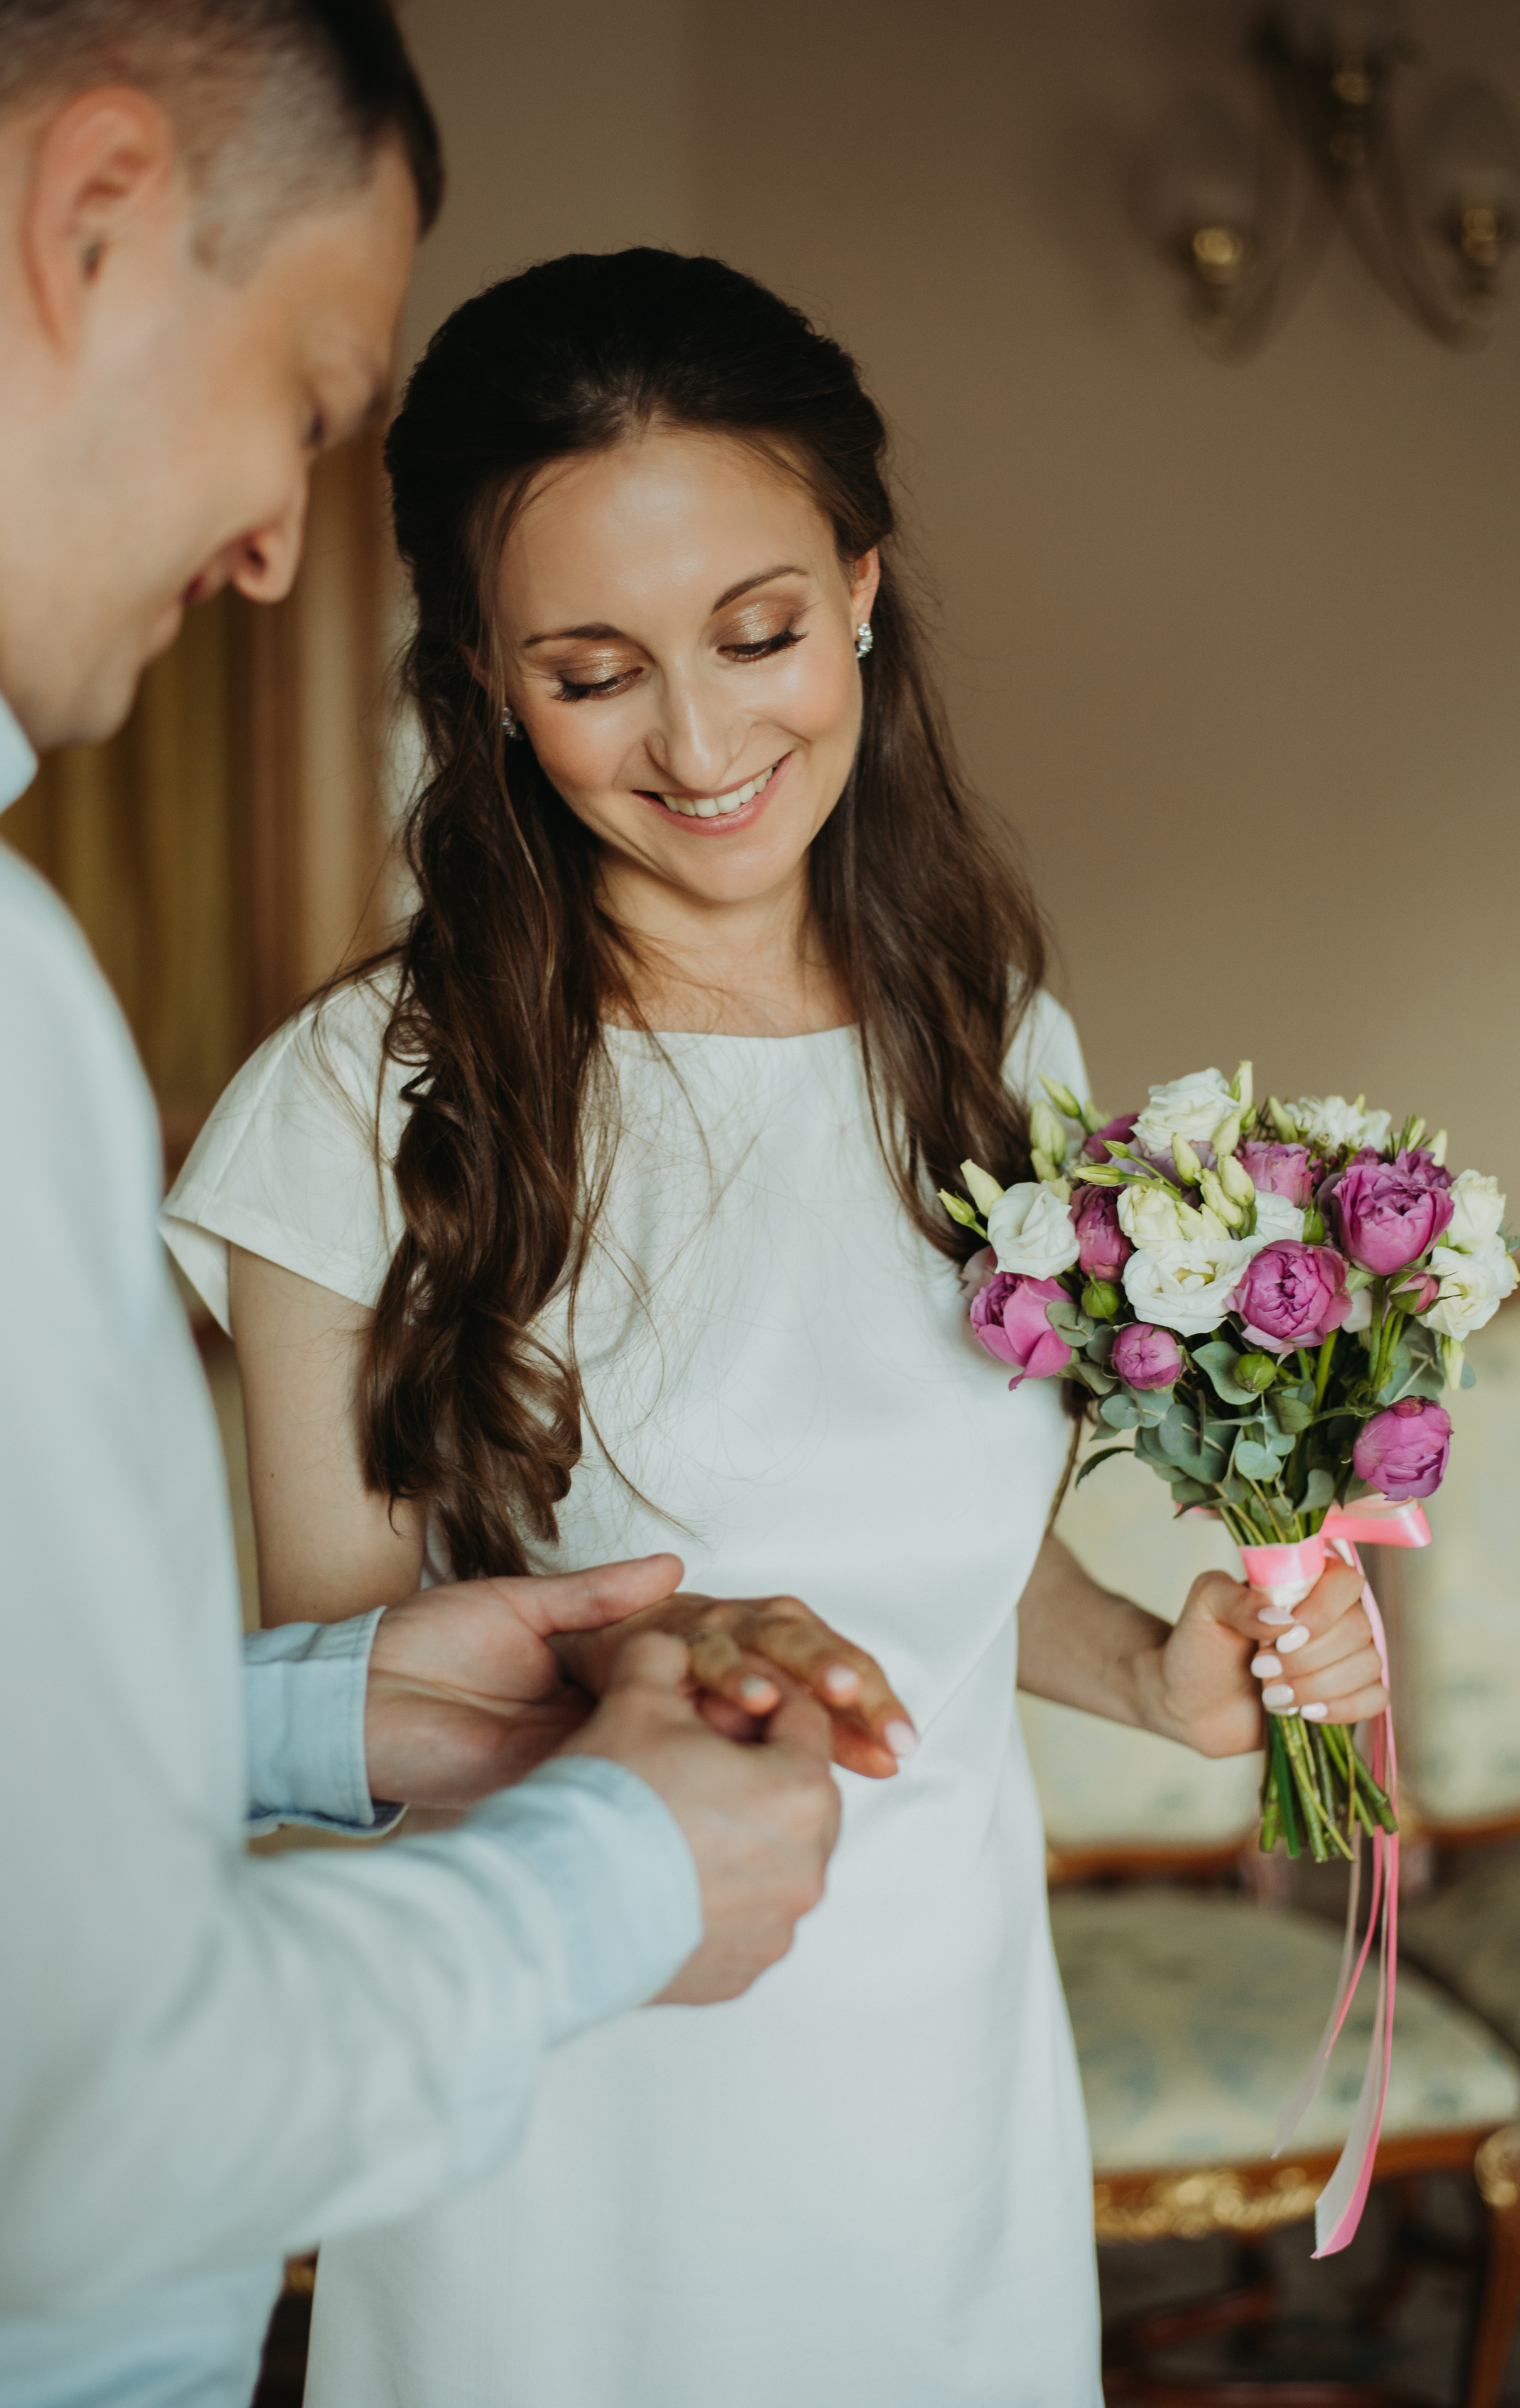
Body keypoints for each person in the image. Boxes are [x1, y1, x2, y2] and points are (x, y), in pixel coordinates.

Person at [165, 246, 1393, 2407]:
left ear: (861, 589)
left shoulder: (993, 1041)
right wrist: (651, 1649)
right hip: (563, 2125)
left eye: (756, 631)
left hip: (940, 2100)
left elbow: (967, 1573)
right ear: (478, 680)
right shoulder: (347, 1110)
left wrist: (1163, 1663)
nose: (707, 739)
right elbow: (321, 1723)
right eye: (593, 671)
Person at [0, 19, 855, 2408]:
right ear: (99, 212)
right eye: (311, 400)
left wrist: (329, 1711)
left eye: (759, 627)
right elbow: (57, 2143)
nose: (265, 547)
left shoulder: (994, 1028)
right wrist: (624, 1871)